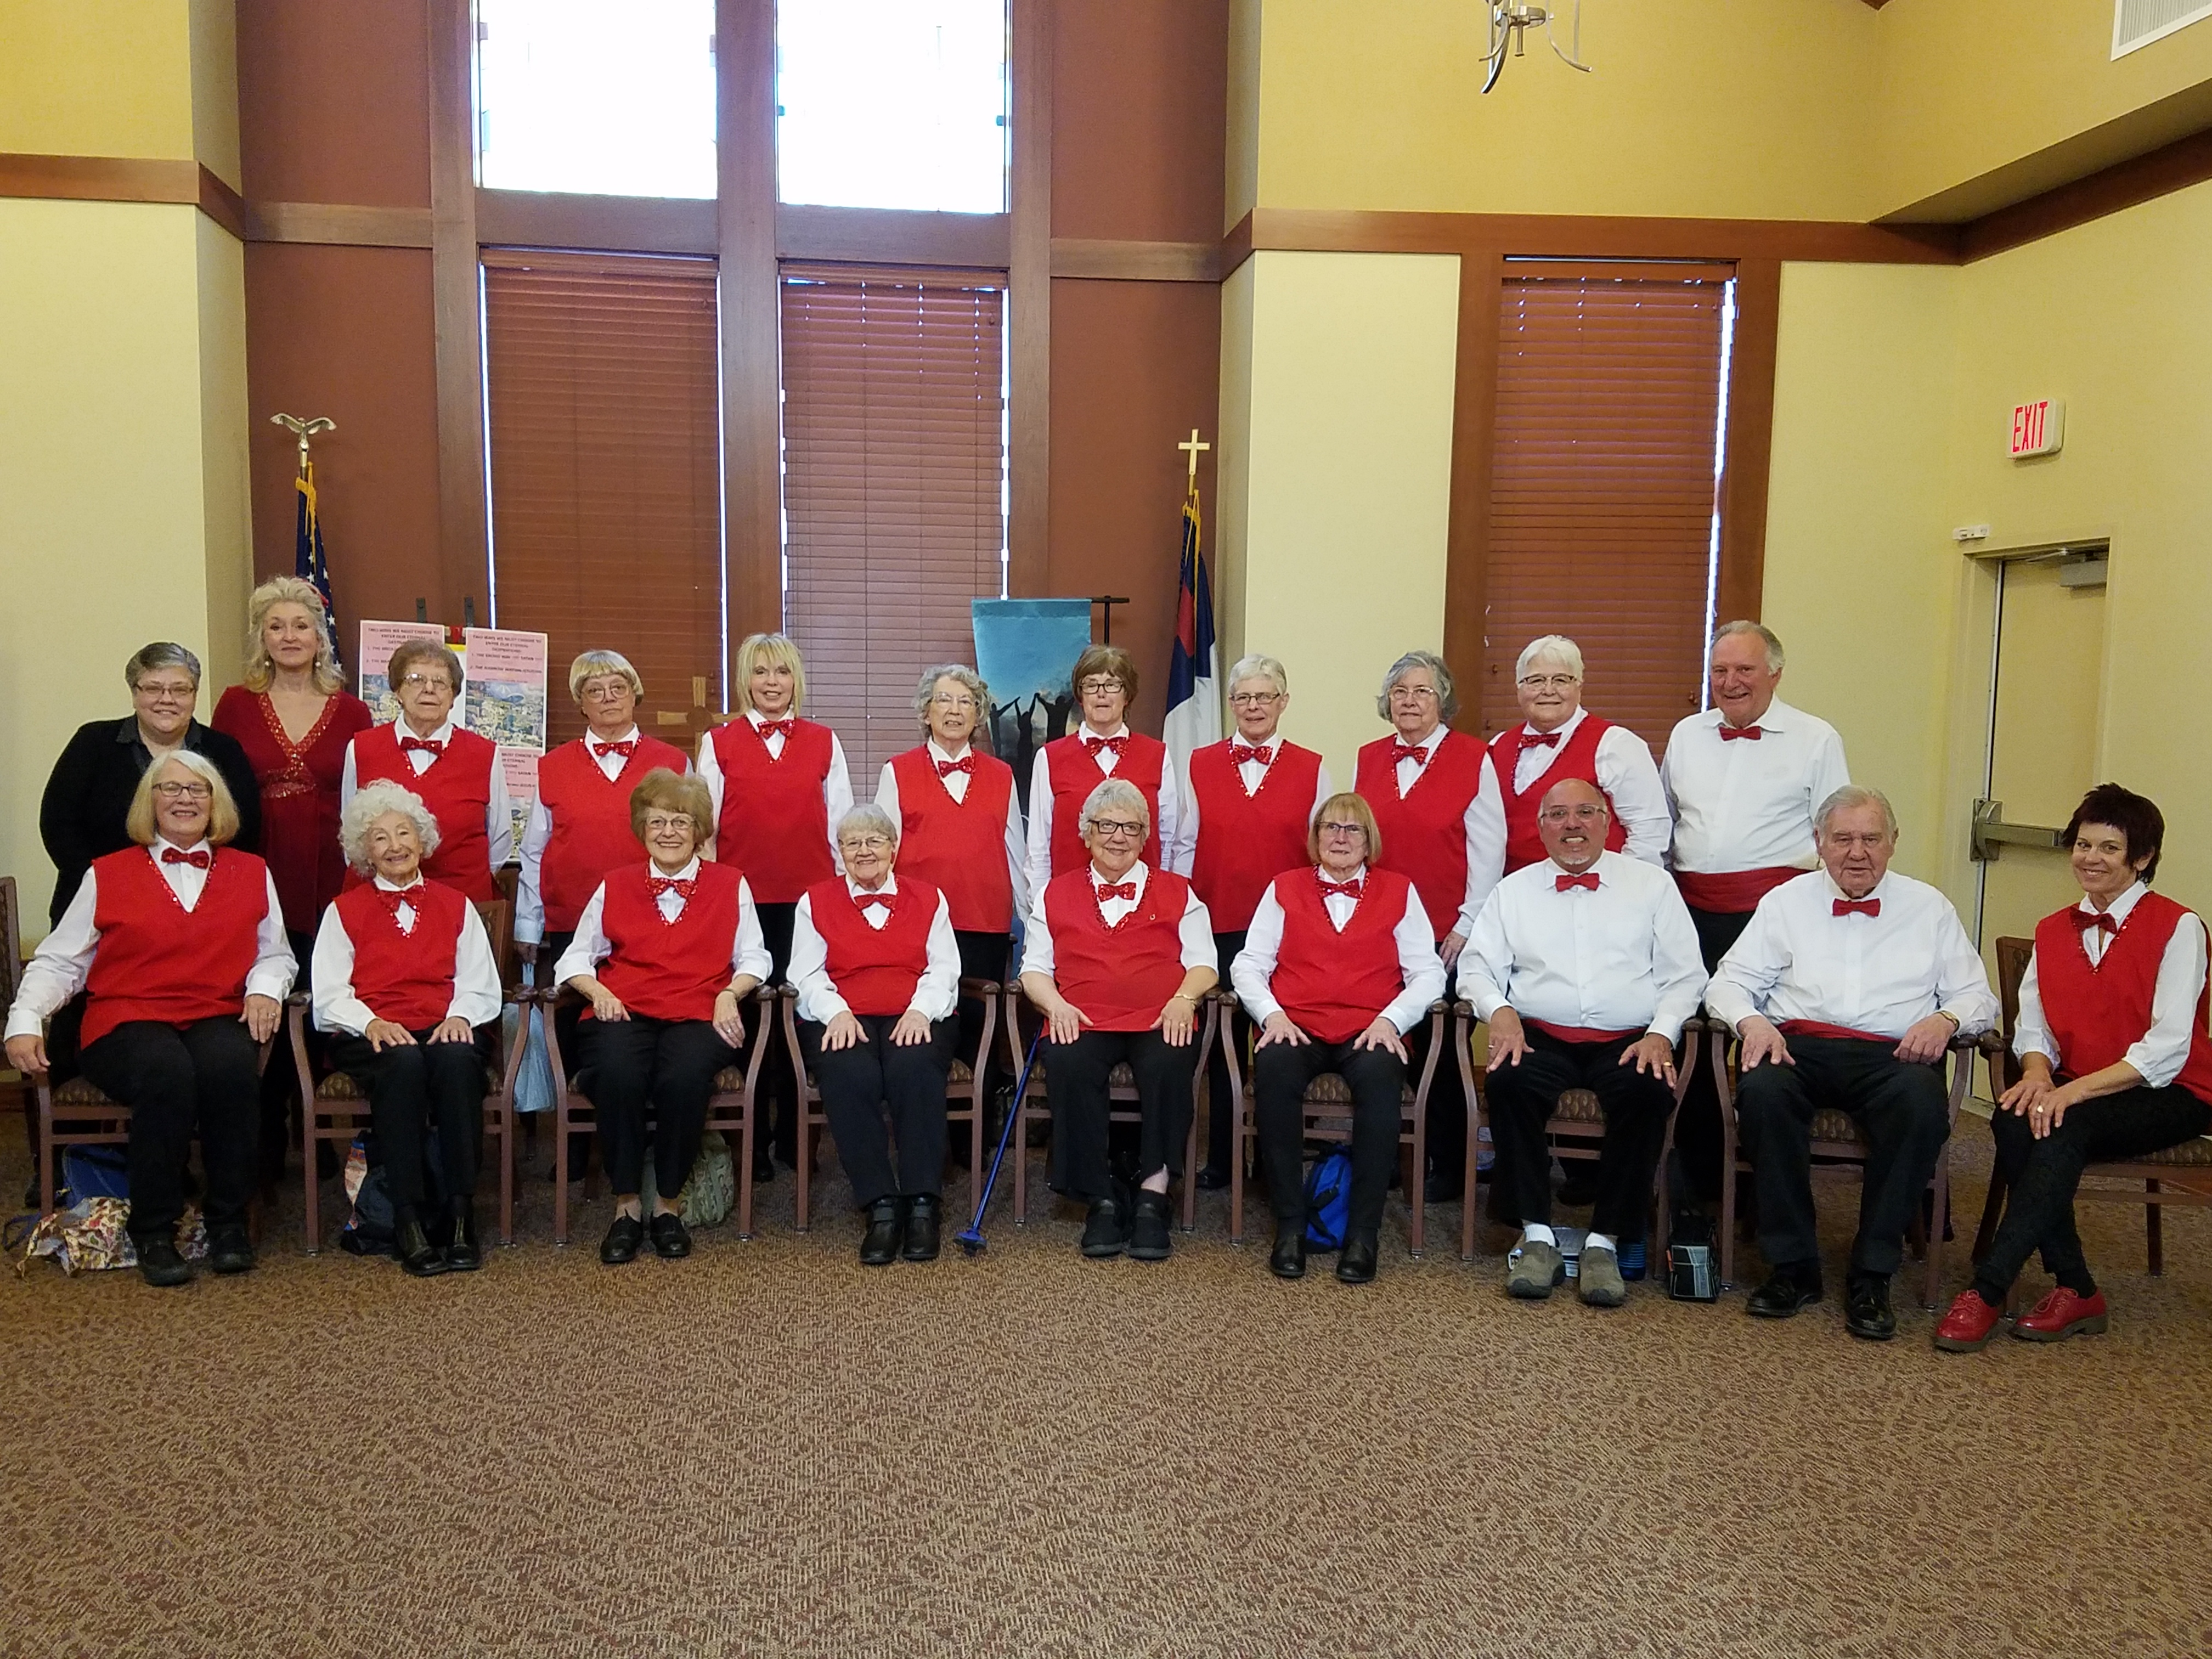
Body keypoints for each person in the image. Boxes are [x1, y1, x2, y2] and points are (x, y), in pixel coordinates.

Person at [1704, 785, 1996, 1341]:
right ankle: (1794, 1266)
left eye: (1870, 839)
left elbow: (1978, 996)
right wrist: (1752, 1022)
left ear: (1892, 844)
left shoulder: (1930, 907)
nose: (1856, 852)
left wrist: (1947, 1021)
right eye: (1842, 839)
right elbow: (1729, 982)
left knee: (1918, 1107)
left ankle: (1872, 1273)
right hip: (1798, 1045)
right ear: (1819, 843)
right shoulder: (1786, 902)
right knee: (1764, 1095)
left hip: (1894, 1055)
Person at [1937, 785, 2212, 1351]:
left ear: (2142, 858)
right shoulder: (2051, 929)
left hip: (2173, 1089)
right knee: (2013, 1119)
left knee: (2062, 1124)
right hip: (2080, 1085)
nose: (2090, 857)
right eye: (2083, 844)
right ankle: (2077, 1286)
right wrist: (2037, 1075)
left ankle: (1988, 1290)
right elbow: (2033, 1023)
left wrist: (2071, 1094)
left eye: (2109, 848)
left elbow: (2168, 1046)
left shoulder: (2179, 927)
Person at [5, 753, 294, 1288]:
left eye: (198, 790)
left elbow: (275, 953)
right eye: (171, 789)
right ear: (150, 802)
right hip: (125, 1017)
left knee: (232, 1067)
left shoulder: (252, 871)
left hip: (213, 1009)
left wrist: (264, 990)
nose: (185, 799)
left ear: (216, 804)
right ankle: (154, 1230)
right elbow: (61, 961)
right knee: (166, 1073)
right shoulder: (106, 873)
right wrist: (25, 1018)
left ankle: (227, 1222)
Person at [1459, 779, 1706, 1307]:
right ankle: (1538, 1237)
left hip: (1629, 1040)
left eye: (1585, 812)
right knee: (1510, 1084)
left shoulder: (1652, 886)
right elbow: (1477, 967)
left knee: (1646, 1095)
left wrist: (1662, 1034)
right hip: (1540, 1035)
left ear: (1607, 822)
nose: (1573, 825)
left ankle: (1605, 1242)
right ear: (1541, 827)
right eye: (1558, 815)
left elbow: (1687, 975)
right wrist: (1499, 1011)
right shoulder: (1514, 890)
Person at [1660, 620, 1850, 1208]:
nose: (1730, 682)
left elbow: (1835, 836)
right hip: (1692, 913)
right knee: (1694, 1047)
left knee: (1767, 1054)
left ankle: (1761, 1188)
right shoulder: (1687, 734)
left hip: (1771, 915)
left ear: (1775, 673)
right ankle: (1698, 1191)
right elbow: (1668, 824)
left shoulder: (1816, 738)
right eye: (1719, 671)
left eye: (1744, 670)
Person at [554, 769, 769, 1266]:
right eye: (657, 823)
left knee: (684, 1077)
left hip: (701, 1009)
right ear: (641, 829)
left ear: (698, 830)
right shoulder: (615, 884)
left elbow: (755, 957)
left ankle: (668, 1206)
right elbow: (573, 959)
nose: (668, 832)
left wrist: (729, 995)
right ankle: (627, 1207)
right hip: (624, 1008)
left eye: (680, 822)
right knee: (616, 1073)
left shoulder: (730, 883)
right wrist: (595, 990)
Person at [1230, 792, 1443, 1284]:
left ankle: (1362, 1234)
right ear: (1316, 837)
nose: (1341, 838)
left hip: (1371, 1029)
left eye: (1353, 830)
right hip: (1296, 1024)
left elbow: (1428, 972)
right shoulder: (1284, 887)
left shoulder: (1400, 890)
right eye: (1331, 827)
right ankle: (1290, 1225)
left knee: (1380, 1081)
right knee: (1275, 1074)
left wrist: (1392, 1020)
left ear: (1369, 842)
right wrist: (1273, 1015)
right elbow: (1249, 964)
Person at [213, 578, 374, 1183]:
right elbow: (217, 788)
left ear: (320, 636)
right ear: (262, 636)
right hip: (258, 861)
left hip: (332, 869)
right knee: (261, 992)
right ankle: (266, 1130)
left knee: (322, 991)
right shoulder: (234, 703)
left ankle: (326, 1131)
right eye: (276, 626)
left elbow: (361, 796)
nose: (289, 637)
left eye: (301, 625)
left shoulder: (352, 708)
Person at [1019, 778, 1217, 1262]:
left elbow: (1205, 962)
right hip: (1081, 1017)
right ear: (1086, 833)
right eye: (1106, 826)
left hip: (1159, 1017)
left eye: (1131, 827)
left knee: (1170, 1063)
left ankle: (1153, 1191)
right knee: (1067, 1064)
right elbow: (1033, 969)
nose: (1118, 837)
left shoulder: (1179, 892)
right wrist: (1056, 1006)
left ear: (1146, 836)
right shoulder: (1053, 894)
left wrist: (1185, 999)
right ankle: (1100, 1196)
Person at [312, 781, 503, 1277]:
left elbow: (479, 980)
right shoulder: (343, 910)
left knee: (459, 1063)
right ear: (364, 851)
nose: (395, 845)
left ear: (423, 841)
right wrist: (371, 1021)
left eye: (404, 833)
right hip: (371, 1033)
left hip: (443, 1024)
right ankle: (407, 1218)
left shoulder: (456, 904)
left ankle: (461, 1215)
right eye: (380, 838)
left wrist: (460, 1016)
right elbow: (330, 994)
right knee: (402, 1063)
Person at [1169, 652, 1331, 1194]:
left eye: (1265, 696)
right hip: (1216, 922)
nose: (1254, 706)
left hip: (1288, 929)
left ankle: (1270, 1160)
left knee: (1276, 1042)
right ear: (1231, 705)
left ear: (1284, 702)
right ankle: (1220, 1156)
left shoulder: (1313, 767)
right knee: (1220, 1046)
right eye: (1243, 697)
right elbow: (1183, 845)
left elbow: (1326, 852)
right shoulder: (1198, 763)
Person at [697, 632, 853, 1178]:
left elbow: (842, 829)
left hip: (808, 905)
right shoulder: (717, 743)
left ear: (796, 680)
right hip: (740, 904)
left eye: (781, 672)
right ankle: (750, 1145)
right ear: (745, 680)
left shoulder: (825, 741)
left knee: (797, 1015)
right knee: (740, 1018)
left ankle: (794, 1138)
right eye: (760, 672)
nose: (771, 682)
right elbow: (704, 832)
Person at [1352, 649, 1505, 1201]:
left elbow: (1490, 851)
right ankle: (1386, 1153)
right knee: (1384, 1041)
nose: (1409, 701)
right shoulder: (1368, 757)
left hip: (1447, 930)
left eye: (1421, 691)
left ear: (1442, 700)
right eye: (1399, 692)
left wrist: (1467, 925)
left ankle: (1448, 1161)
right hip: (1380, 929)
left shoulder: (1473, 757)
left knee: (1443, 1052)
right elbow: (1355, 842)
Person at [789, 805, 962, 1266]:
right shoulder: (815, 901)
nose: (864, 851)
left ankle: (923, 1204)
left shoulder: (930, 897)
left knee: (915, 1068)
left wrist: (921, 1011)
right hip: (844, 1013)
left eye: (874, 841)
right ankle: (880, 1205)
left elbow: (944, 967)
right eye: (853, 843)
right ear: (840, 852)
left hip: (916, 1012)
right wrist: (836, 1013)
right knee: (848, 1074)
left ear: (894, 848)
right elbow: (805, 974)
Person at [517, 651, 690, 1088]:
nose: (609, 698)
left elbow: (693, 843)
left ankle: (649, 1136)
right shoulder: (551, 767)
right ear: (581, 702)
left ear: (635, 694)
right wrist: (527, 923)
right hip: (572, 919)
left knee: (649, 1031)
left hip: (653, 920)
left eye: (619, 687)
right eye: (595, 690)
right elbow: (535, 850)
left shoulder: (673, 762)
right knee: (575, 1034)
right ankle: (573, 1150)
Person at [875, 664, 1025, 1116]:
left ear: (978, 715)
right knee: (926, 1026)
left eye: (966, 701)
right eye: (944, 700)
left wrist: (1035, 924)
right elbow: (882, 853)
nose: (955, 710)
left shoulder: (1002, 775)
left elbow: (1016, 855)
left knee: (979, 1028)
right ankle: (922, 1124)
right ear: (926, 711)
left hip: (984, 919)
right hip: (919, 926)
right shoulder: (896, 771)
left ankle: (971, 1135)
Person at [40, 641, 261, 927]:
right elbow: (58, 825)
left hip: (202, 911)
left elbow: (245, 830)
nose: (166, 699)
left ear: (195, 695)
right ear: (134, 693)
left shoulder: (224, 751)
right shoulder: (92, 743)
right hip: (97, 909)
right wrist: (102, 884)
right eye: (153, 688)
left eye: (180, 689)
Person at [341, 639, 512, 902]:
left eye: (441, 682)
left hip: (462, 904)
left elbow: (500, 840)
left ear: (453, 697)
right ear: (398, 691)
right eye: (416, 680)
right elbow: (350, 833)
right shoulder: (361, 749)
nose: (429, 689)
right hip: (377, 901)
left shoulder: (485, 754)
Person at [1486, 635, 1669, 873]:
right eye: (1536, 681)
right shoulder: (1497, 746)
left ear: (1579, 686)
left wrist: (1622, 890)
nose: (1548, 690)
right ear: (1519, 688)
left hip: (1594, 894)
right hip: (1516, 896)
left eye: (1561, 680)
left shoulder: (1616, 744)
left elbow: (1649, 833)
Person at [1024, 644, 1181, 896]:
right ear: (1080, 695)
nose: (1101, 694)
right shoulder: (1050, 758)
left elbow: (1170, 839)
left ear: (1126, 694)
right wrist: (1043, 908)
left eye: (1112, 685)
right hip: (1070, 904)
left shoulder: (1158, 755)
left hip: (1143, 902)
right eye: (1091, 685)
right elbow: (1039, 848)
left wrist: (1164, 896)